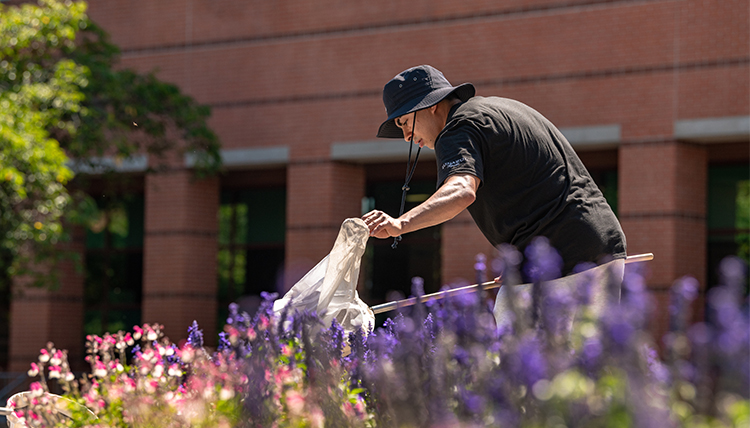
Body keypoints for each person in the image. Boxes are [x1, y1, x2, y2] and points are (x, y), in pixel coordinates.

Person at [361, 65, 627, 329]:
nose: (406, 136)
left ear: (430, 104)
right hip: (596, 245)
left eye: (405, 122)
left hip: (565, 255)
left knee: (519, 361)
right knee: (584, 360)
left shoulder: (457, 129)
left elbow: (461, 191)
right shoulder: (498, 110)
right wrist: (523, 260)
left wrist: (401, 224)